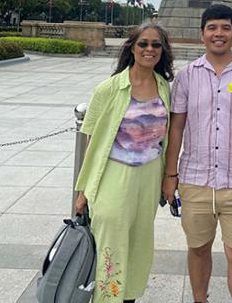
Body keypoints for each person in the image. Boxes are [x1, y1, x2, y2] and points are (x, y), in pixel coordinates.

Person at [162, 4, 232, 303]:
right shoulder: (186, 77)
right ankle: (200, 299)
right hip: (194, 180)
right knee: (198, 249)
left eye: (225, 28)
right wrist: (170, 176)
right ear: (202, 34)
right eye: (212, 28)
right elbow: (176, 129)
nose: (219, 34)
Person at [75, 23, 174, 303]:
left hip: (149, 177)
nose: (150, 50)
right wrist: (83, 190)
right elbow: (91, 143)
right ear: (132, 47)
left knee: (139, 246)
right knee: (111, 245)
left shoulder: (164, 87)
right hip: (114, 176)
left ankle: (129, 298)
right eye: (143, 44)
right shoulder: (109, 89)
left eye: (156, 45)